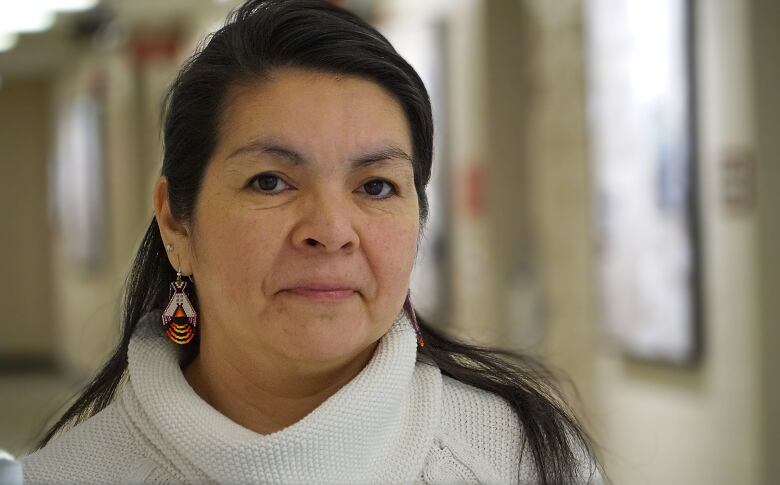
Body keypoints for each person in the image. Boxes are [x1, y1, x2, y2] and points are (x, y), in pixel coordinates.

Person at [19, 0, 604, 483]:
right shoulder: (66, 476)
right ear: (176, 224)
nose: (329, 230)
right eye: (270, 181)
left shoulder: (526, 460)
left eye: (375, 186)